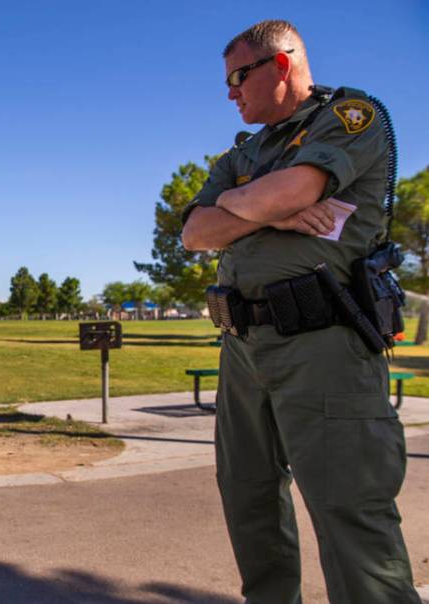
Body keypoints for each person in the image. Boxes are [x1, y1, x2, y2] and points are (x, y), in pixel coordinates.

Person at [182, 20, 420, 603]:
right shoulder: (247, 150)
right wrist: (272, 209)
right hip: (243, 348)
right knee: (248, 499)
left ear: (281, 66)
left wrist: (254, 204)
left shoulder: (349, 117)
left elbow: (286, 193)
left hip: (324, 344)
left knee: (349, 511)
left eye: (238, 77)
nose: (230, 93)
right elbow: (193, 232)